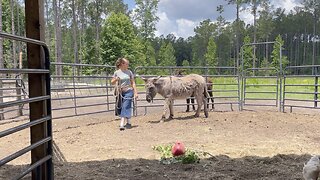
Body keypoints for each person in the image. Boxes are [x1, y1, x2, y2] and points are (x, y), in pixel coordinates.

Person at [111, 58, 138, 131]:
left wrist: (135, 92)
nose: (128, 65)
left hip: (129, 90)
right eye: (126, 64)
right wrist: (116, 79)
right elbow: (112, 82)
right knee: (123, 106)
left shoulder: (129, 72)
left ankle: (122, 123)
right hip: (120, 91)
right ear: (122, 64)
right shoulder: (117, 72)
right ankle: (129, 121)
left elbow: (133, 83)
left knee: (125, 105)